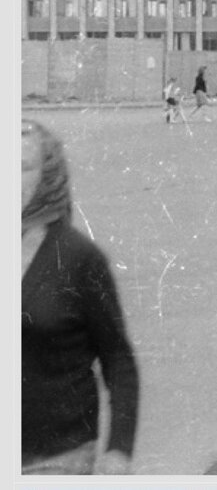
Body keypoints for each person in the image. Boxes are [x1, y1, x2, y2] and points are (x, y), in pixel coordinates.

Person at [22, 120, 140, 474]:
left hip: (58, 459)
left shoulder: (78, 259)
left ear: (47, 178)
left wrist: (118, 451)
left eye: (23, 168)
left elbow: (118, 359)